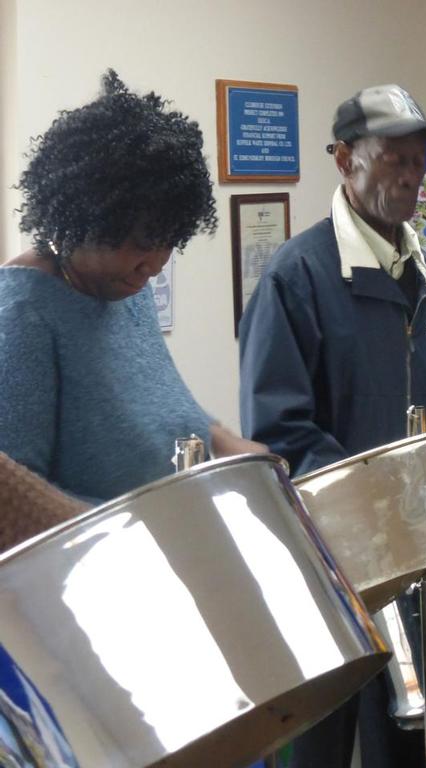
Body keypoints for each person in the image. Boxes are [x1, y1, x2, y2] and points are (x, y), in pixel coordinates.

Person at [239, 83, 426, 768]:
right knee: (324, 745)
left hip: (416, 556)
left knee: (409, 739)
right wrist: (381, 500)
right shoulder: (297, 276)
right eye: (393, 160)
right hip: (331, 563)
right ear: (344, 159)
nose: (411, 177)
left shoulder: (424, 266)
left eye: (418, 161)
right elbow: (278, 431)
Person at [0, 70, 262, 509]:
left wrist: (229, 445)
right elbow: (12, 501)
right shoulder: (23, 315)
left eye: (169, 242)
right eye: (142, 243)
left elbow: (159, 404)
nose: (156, 265)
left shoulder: (122, 288)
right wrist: (135, 539)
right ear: (87, 220)